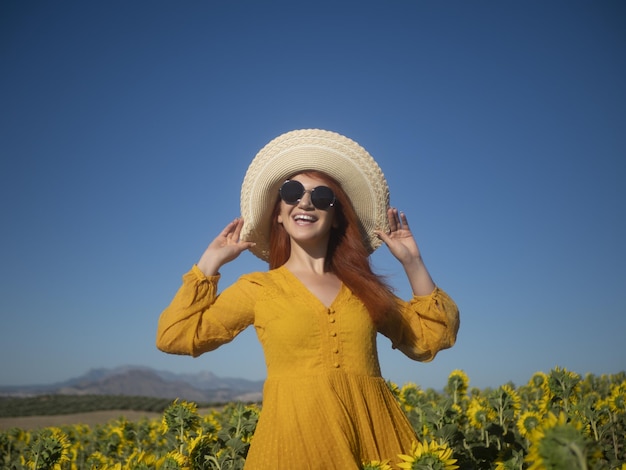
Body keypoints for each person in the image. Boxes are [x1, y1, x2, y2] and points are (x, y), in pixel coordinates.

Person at [156, 129, 460, 469]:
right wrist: (208, 264)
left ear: (335, 217)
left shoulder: (364, 289)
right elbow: (174, 336)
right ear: (279, 214)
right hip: (293, 445)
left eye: (322, 196)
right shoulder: (258, 288)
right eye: (292, 192)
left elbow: (431, 338)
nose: (305, 202)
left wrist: (413, 263)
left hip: (377, 443)